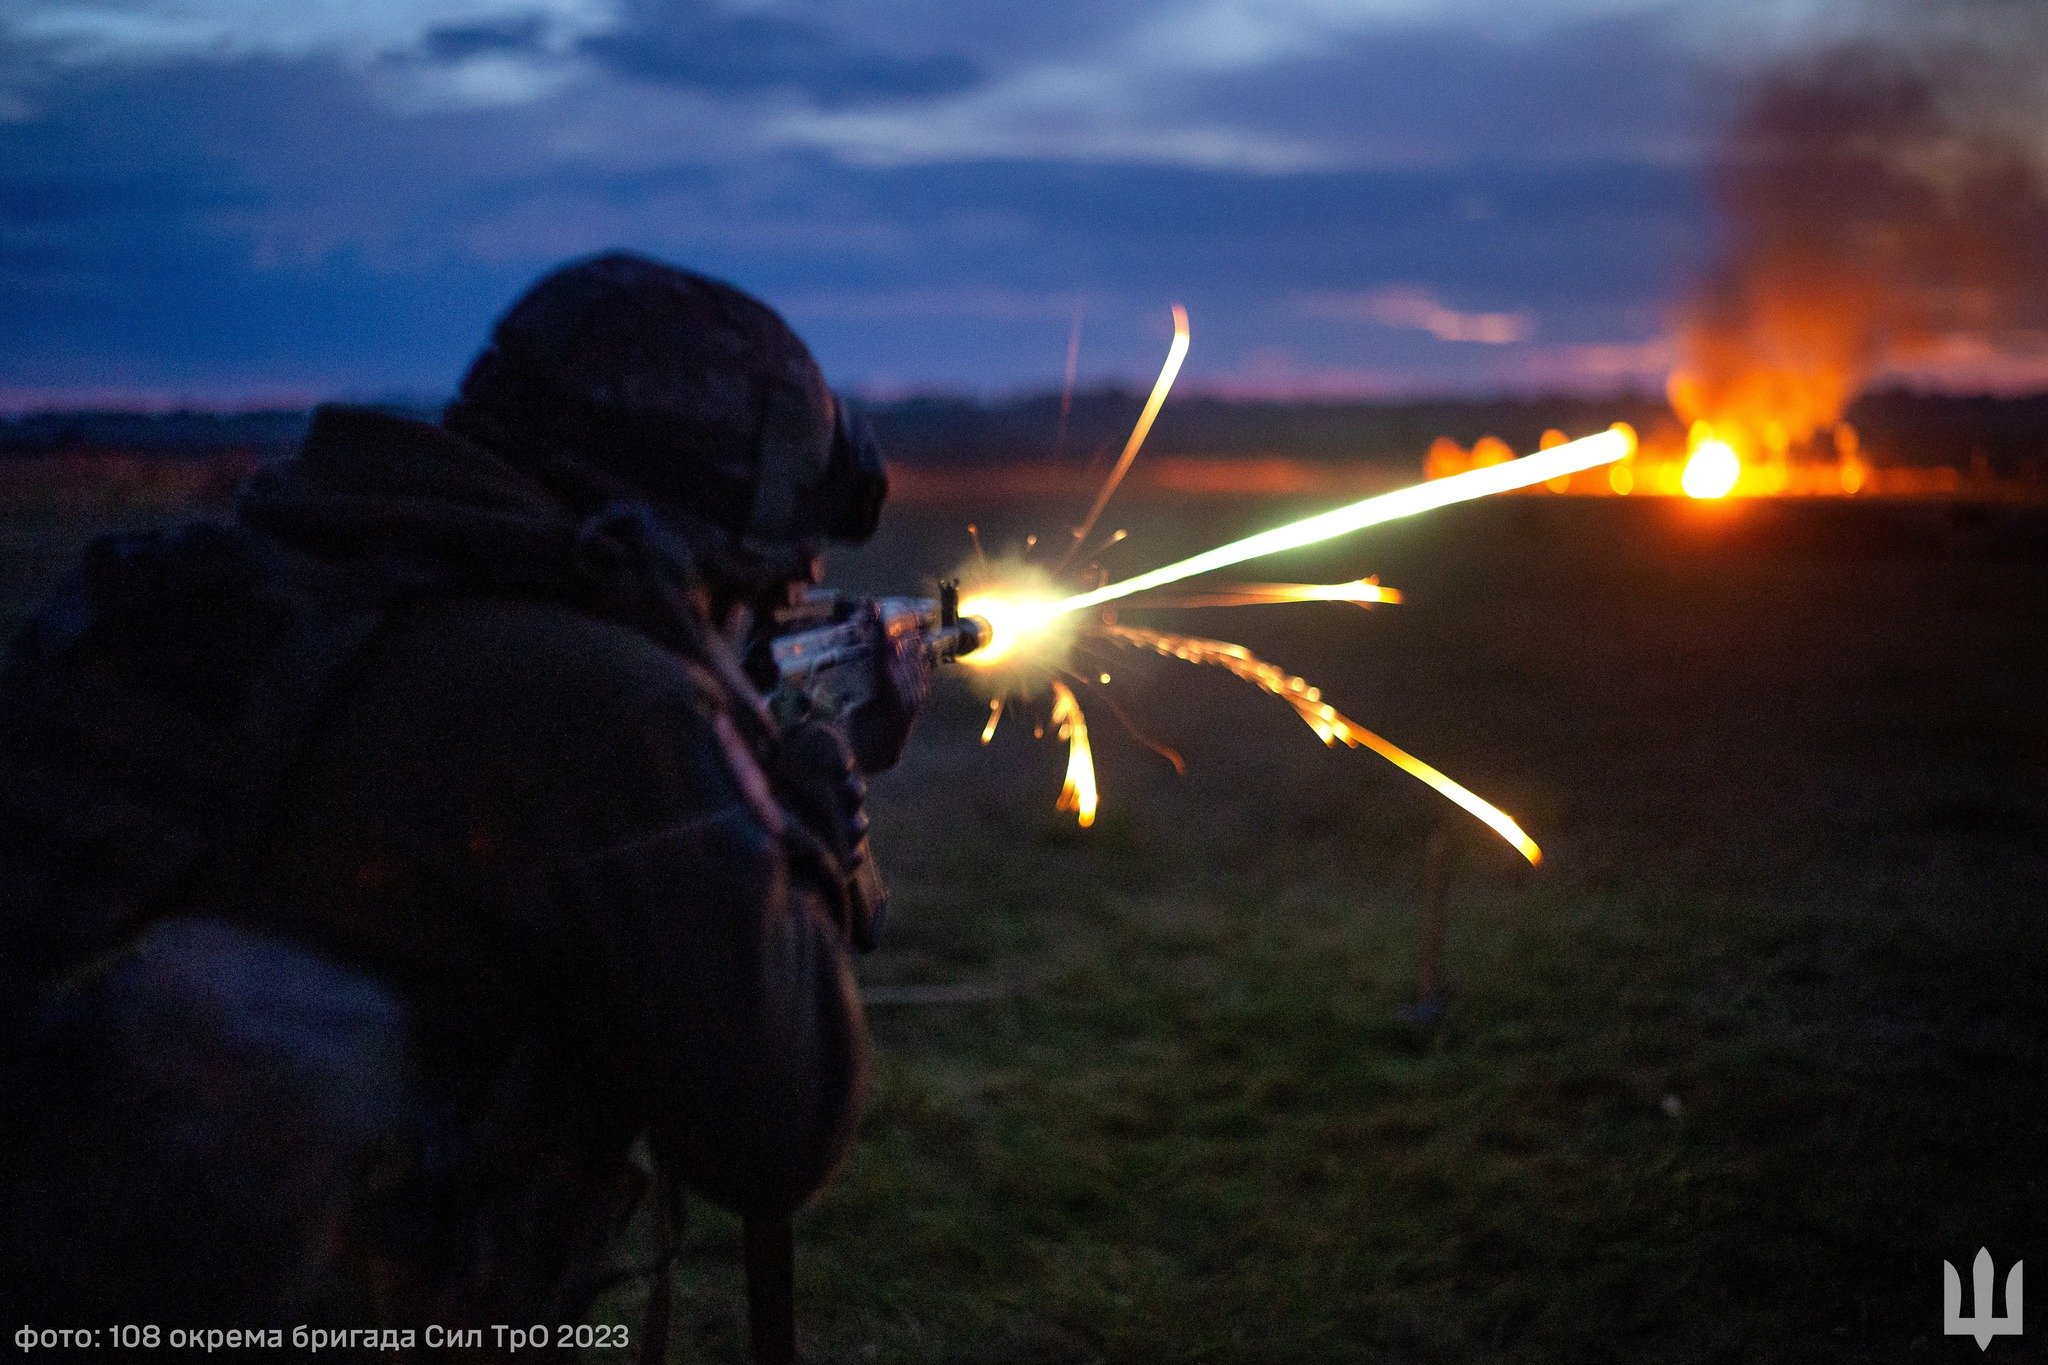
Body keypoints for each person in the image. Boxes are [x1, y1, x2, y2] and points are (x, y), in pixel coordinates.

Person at [0, 252, 926, 1351]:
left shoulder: (232, 587)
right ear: (715, 498)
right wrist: (808, 812)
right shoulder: (609, 706)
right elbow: (779, 1129)